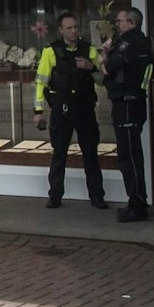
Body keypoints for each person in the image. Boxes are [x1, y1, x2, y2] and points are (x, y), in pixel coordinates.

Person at [33, 13, 106, 210]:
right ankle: (55, 195)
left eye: (76, 27)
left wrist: (91, 67)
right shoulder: (50, 52)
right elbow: (41, 82)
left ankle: (97, 196)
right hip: (61, 108)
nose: (74, 31)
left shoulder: (89, 50)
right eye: (69, 28)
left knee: (90, 153)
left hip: (84, 108)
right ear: (61, 30)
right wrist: (38, 110)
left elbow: (103, 78)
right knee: (59, 153)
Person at [100, 6, 154, 222]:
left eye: (120, 20)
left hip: (127, 104)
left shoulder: (129, 43)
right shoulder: (143, 41)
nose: (117, 23)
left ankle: (138, 204)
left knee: (129, 156)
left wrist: (105, 55)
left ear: (131, 23)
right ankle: (136, 201)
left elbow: (107, 68)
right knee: (130, 155)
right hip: (134, 103)